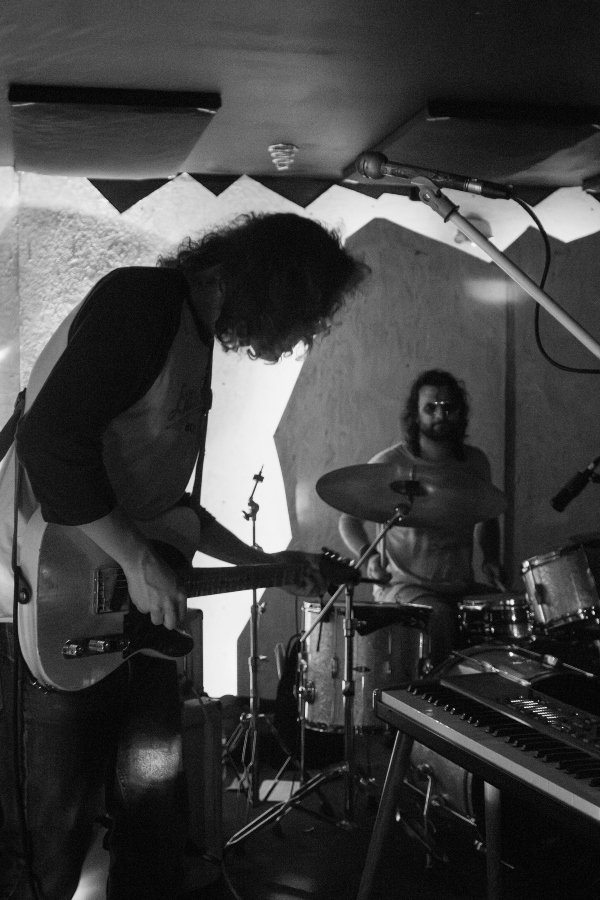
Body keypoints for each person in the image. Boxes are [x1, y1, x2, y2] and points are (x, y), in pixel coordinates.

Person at [0, 212, 367, 900]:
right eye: (304, 313)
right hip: (51, 600)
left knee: (154, 831)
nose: (300, 336)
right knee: (46, 848)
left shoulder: (192, 341)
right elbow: (49, 439)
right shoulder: (142, 303)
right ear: (272, 283)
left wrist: (268, 562)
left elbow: (167, 511)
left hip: (126, 628)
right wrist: (138, 563)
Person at [338, 369, 504, 670]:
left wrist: (491, 559)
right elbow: (348, 521)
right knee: (438, 616)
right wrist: (369, 557)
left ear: (460, 412)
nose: (440, 414)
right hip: (402, 587)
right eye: (431, 408)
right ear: (416, 415)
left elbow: (487, 517)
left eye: (448, 407)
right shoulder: (390, 463)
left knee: (510, 609)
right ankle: (433, 691)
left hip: (459, 585)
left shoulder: (475, 462)